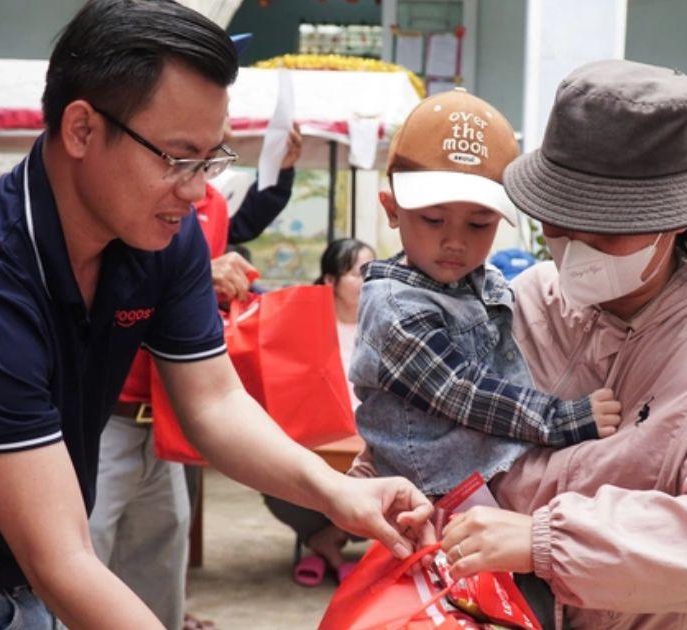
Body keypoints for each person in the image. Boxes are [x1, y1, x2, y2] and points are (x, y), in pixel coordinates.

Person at [0, 3, 431, 629]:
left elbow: (213, 404)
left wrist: (337, 491)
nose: (198, 189)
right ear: (81, 130)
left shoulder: (159, 234)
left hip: (36, 572)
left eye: (212, 158)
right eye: (178, 157)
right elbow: (63, 558)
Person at [430, 59, 687, 629]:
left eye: (605, 228)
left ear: (673, 223)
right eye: (558, 223)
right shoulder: (524, 301)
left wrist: (544, 541)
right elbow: (426, 410)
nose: (576, 248)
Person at [349, 88, 623, 500]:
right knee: (483, 557)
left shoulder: (478, 279)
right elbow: (465, 391)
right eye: (433, 219)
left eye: (479, 224)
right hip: (435, 483)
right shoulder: (396, 313)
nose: (455, 242)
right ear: (391, 209)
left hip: (488, 459)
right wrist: (562, 418)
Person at [89, 105, 302, 630]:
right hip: (103, 414)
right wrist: (197, 277)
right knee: (81, 559)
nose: (203, 171)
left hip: (168, 417)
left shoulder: (211, 207)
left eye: (216, 153)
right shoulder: (118, 202)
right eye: (192, 153)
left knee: (161, 556)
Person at [263, 238, 375, 587]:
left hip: (369, 444)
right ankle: (330, 542)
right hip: (321, 440)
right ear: (330, 281)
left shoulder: (383, 328)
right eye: (360, 273)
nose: (370, 281)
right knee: (280, 477)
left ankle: (325, 543)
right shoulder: (307, 329)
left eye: (375, 272)